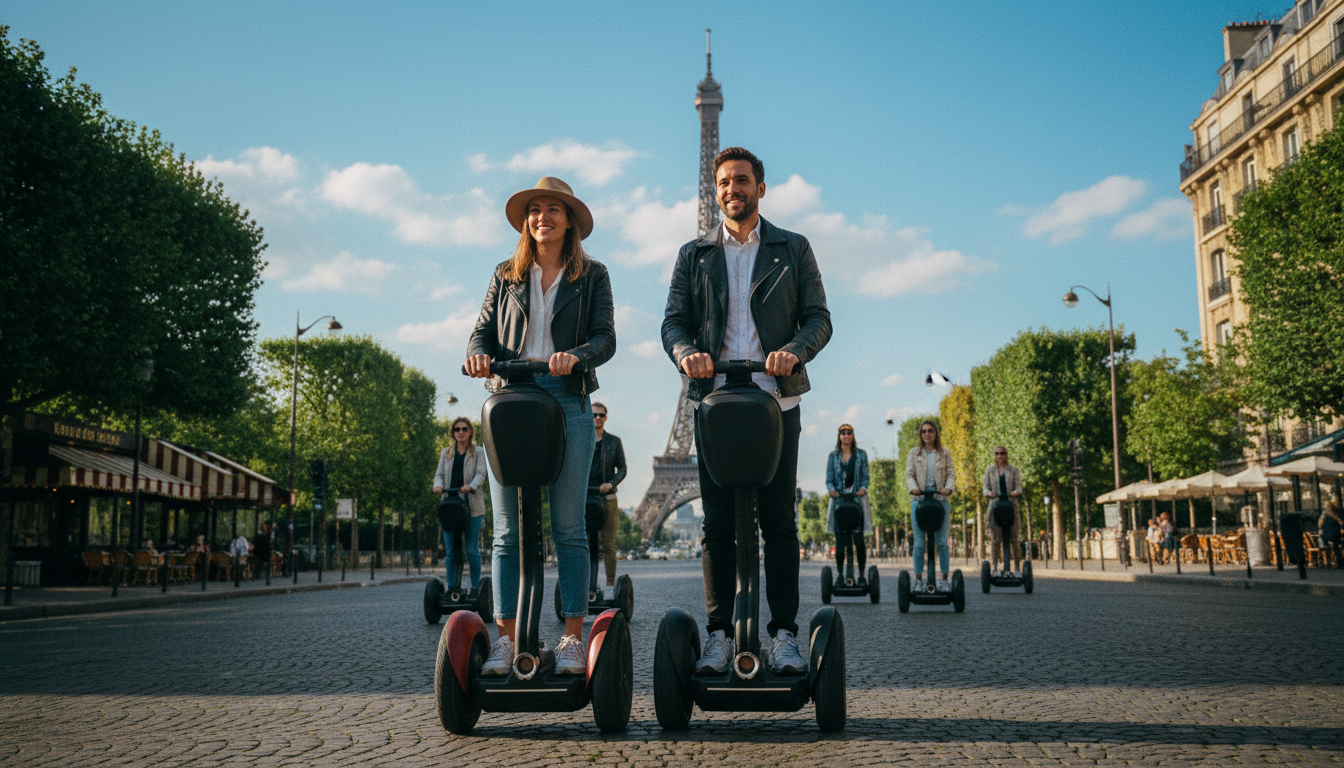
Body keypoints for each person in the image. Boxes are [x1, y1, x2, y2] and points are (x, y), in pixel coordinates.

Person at [662, 146, 832, 675]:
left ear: (761, 188)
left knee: (779, 522)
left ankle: (783, 633)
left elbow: (819, 318)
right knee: (716, 526)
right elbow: (673, 322)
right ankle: (718, 633)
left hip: (776, 400)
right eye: (723, 183)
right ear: (715, 192)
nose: (731, 190)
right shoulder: (695, 254)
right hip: (714, 402)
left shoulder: (792, 248)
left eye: (741, 180)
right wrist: (685, 352)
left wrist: (795, 351)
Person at [465, 177, 615, 677]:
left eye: (553, 209)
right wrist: (478, 357)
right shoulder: (504, 274)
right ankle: (505, 639)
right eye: (535, 209)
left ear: (570, 220)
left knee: (569, 527)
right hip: (510, 399)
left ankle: (573, 638)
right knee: (506, 530)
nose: (542, 217)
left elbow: (605, 338)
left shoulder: (592, 275)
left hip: (568, 398)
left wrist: (575, 357)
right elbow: (481, 332)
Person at [433, 417, 489, 593]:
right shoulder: (446, 452)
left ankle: (475, 588)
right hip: (450, 507)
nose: (461, 432)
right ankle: (452, 588)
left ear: (470, 431)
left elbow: (481, 473)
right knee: (450, 552)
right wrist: (437, 485)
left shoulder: (478, 452)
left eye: (464, 429)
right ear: (453, 432)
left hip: (471, 506)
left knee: (471, 549)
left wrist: (471, 486)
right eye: (457, 429)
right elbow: (439, 474)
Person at [905, 419, 956, 590]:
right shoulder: (914, 453)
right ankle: (918, 580)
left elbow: (951, 474)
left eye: (930, 431)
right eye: (924, 431)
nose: (927, 434)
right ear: (921, 434)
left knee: (942, 542)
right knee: (919, 543)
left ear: (935, 433)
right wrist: (913, 489)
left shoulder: (945, 453)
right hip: (919, 501)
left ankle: (944, 580)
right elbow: (909, 474)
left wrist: (948, 488)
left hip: (940, 500)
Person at [588, 402, 627, 600]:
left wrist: (610, 484)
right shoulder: (581, 441)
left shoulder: (614, 441)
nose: (597, 418)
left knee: (608, 544)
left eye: (601, 415)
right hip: (586, 497)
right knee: (585, 544)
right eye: (594, 414)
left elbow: (622, 469)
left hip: (607, 498)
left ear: (606, 418)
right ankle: (587, 584)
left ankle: (610, 585)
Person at [825, 424, 871, 585]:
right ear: (839, 436)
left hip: (856, 501)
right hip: (839, 503)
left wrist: (863, 489)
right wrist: (831, 490)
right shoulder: (833, 456)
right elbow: (829, 479)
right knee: (840, 544)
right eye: (842, 433)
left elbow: (866, 477)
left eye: (849, 432)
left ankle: (862, 575)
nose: (846, 435)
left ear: (853, 435)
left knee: (858, 541)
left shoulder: (861, 455)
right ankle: (839, 574)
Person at [980, 445, 1023, 575]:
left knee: (1014, 538)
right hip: (995, 506)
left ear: (1007, 454)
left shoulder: (1013, 470)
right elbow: (985, 488)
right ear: (994, 455)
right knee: (995, 539)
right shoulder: (989, 470)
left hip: (1010, 505)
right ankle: (994, 568)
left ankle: (1016, 568)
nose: (1000, 456)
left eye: (1002, 453)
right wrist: (989, 493)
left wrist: (1015, 492)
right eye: (997, 453)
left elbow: (1020, 487)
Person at [1319, 500, 1342, 569]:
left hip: (1327, 536)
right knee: (1336, 548)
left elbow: (1320, 526)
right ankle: (1339, 562)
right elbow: (1338, 526)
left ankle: (1328, 562)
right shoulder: (1335, 517)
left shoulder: (1325, 517)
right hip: (1335, 536)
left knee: (1328, 548)